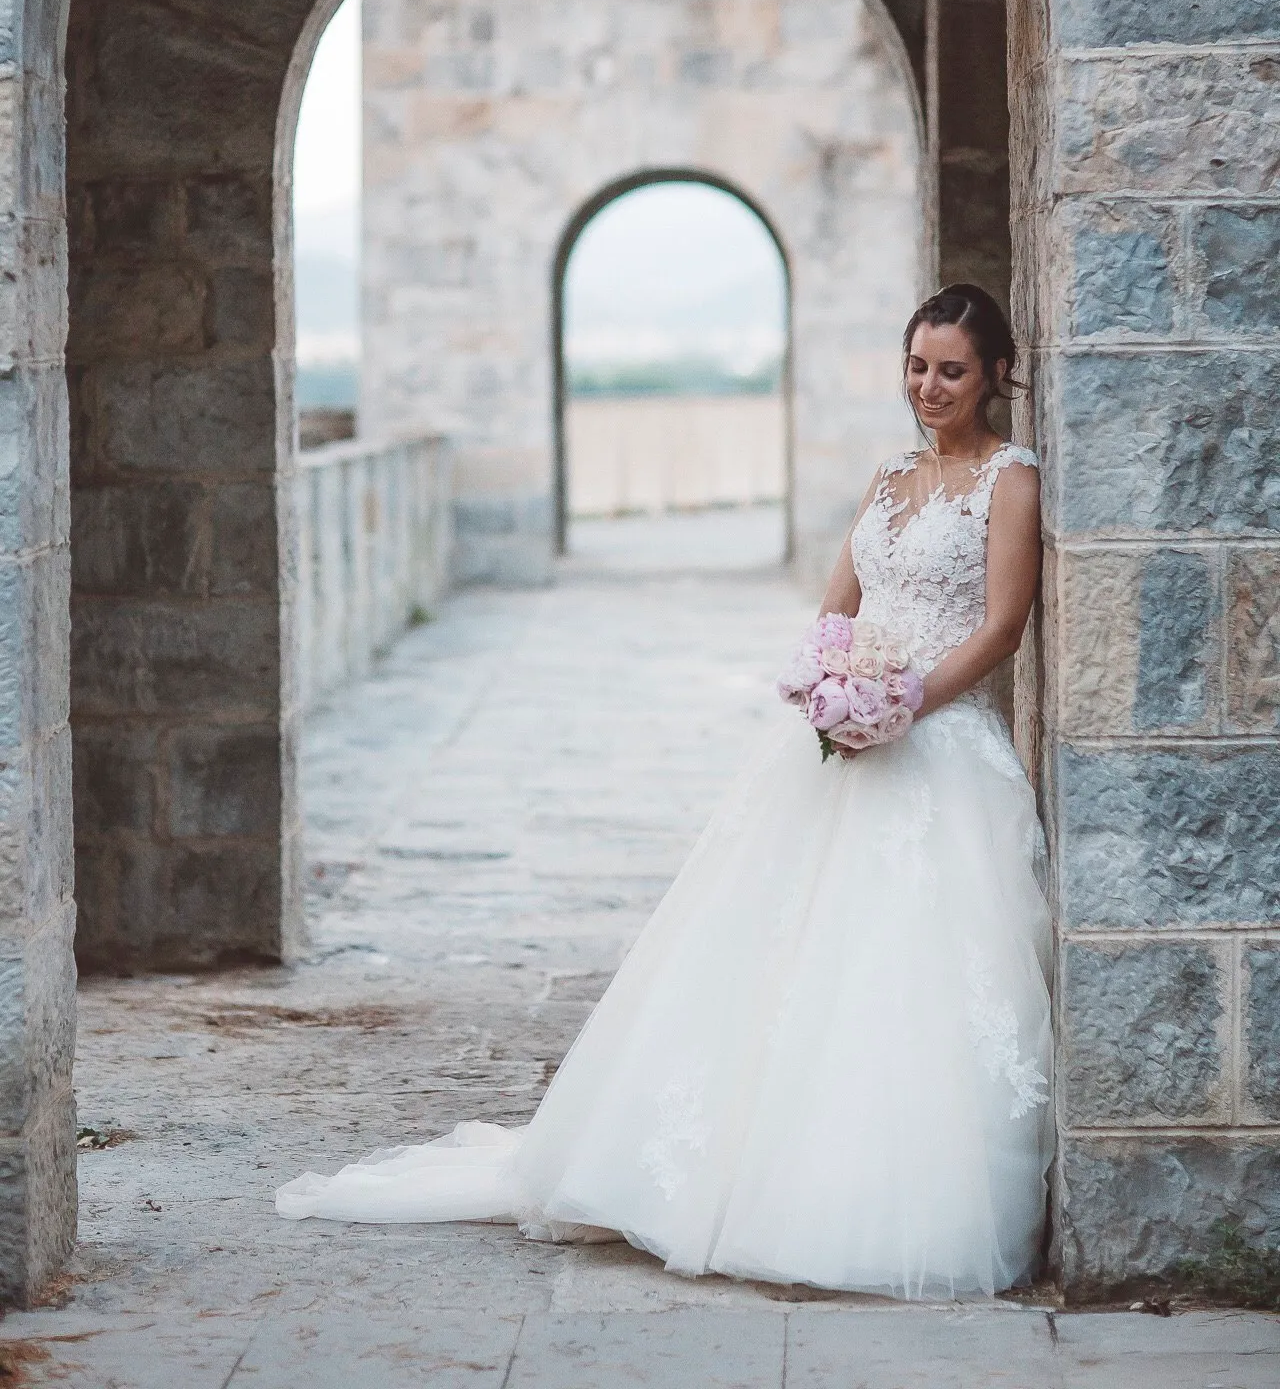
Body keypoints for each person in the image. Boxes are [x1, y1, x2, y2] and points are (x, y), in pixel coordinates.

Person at [277, 283, 1052, 1301]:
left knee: (900, 969)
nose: (928, 387)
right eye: (916, 366)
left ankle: (860, 1189)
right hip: (842, 743)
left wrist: (906, 701)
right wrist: (829, 686)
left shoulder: (1009, 480)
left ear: (996, 374)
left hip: (941, 750)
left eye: (951, 370)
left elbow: (999, 628)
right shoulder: (890, 476)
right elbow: (837, 607)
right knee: (769, 955)